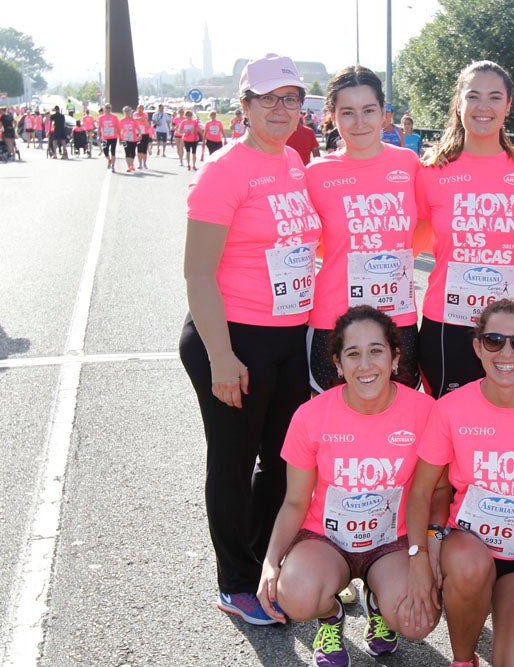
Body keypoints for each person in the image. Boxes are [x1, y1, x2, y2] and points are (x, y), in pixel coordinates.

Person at [178, 53, 322, 626]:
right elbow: (196, 273)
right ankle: (234, 581)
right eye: (268, 99)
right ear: (245, 106)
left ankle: (267, 560)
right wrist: (221, 355)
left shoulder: (291, 159)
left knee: (286, 463)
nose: (282, 108)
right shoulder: (223, 168)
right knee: (234, 462)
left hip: (288, 336)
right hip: (234, 336)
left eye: (291, 98)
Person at [256, 306, 441, 666]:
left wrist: (427, 548)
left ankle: (379, 605)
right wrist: (270, 561)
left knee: (418, 621)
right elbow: (295, 501)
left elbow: (438, 490)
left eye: (376, 350)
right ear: (338, 365)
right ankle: (330, 616)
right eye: (352, 354)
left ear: (395, 357)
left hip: (393, 541)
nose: (365, 364)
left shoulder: (426, 411)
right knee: (295, 595)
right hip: (326, 540)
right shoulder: (310, 416)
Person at [404, 298, 514, 667]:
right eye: (494, 341)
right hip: (466, 547)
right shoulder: (450, 407)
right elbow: (421, 489)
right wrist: (422, 551)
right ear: (477, 346)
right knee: (468, 564)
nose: (507, 353)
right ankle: (463, 659)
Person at [415, 60, 514, 397]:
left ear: (508, 106)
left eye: (494, 97)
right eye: (473, 96)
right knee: (447, 434)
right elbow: (407, 246)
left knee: (504, 433)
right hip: (447, 325)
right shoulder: (431, 171)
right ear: (459, 103)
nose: (483, 107)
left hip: (511, 329)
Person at [305, 65, 422, 394]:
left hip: (397, 318)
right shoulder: (314, 174)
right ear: (332, 116)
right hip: (333, 321)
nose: (360, 122)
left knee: (399, 428)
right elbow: (302, 242)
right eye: (348, 112)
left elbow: (427, 228)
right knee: (333, 430)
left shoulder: (410, 165)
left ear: (384, 112)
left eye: (369, 110)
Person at [98, 103, 119, 172]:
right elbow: (99, 127)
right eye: (106, 108)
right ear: (104, 109)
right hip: (105, 137)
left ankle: (113, 165)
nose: (108, 109)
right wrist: (99, 136)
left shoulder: (115, 117)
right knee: (105, 151)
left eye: (109, 108)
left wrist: (120, 136)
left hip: (113, 137)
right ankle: (109, 160)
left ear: (111, 109)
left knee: (113, 151)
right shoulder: (101, 117)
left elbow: (117, 127)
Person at [118, 106, 139, 172]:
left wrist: (140, 134)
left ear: (131, 112)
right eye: (125, 111)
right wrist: (120, 138)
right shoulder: (122, 121)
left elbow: (138, 129)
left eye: (128, 111)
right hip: (125, 138)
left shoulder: (134, 121)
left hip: (133, 139)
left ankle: (131, 164)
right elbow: (119, 130)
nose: (127, 113)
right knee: (127, 152)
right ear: (123, 112)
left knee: (132, 152)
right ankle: (129, 166)